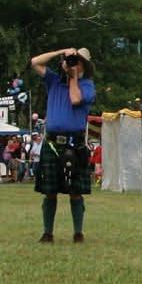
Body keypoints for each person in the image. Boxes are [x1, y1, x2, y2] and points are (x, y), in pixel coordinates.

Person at [30, 48, 96, 241]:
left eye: (76, 61)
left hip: (74, 144)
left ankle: (78, 233)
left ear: (83, 66)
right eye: (69, 60)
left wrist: (73, 76)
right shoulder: (54, 81)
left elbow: (75, 99)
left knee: (75, 192)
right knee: (50, 191)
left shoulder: (87, 85)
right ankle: (47, 233)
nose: (71, 63)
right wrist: (61, 52)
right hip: (52, 143)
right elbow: (35, 62)